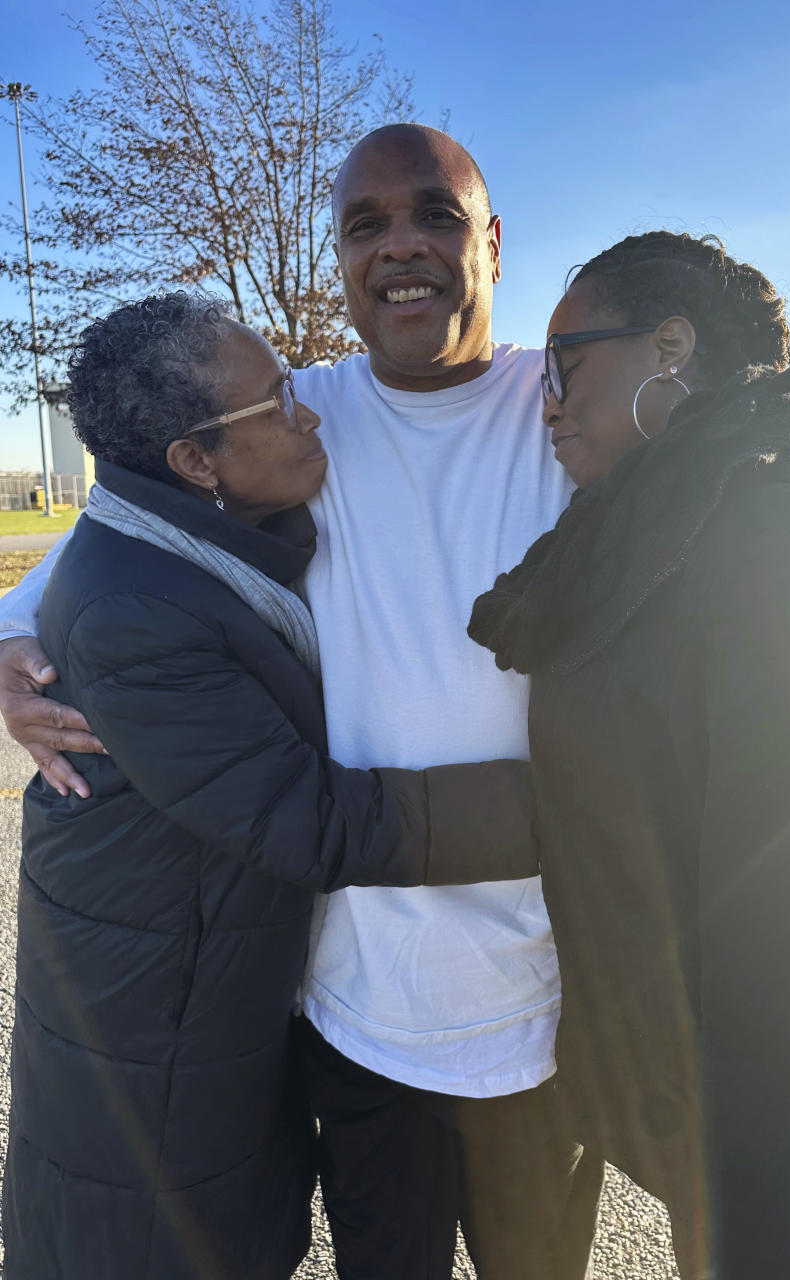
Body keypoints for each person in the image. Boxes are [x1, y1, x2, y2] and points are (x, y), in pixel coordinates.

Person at [1, 127, 790, 1280]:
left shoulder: (580, 402)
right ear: (340, 259)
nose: (400, 244)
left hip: (554, 1011)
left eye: (436, 214)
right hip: (357, 1005)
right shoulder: (291, 416)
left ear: (491, 241)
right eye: (365, 225)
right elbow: (116, 530)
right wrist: (10, 640)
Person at [1, 292, 542, 1280]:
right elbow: (311, 818)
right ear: (195, 461)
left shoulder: (184, 533)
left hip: (196, 989)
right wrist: (565, 804)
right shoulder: (137, 606)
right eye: (276, 401)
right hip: (152, 1036)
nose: (308, 412)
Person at [469, 230, 790, 1279]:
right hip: (702, 1088)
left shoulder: (773, 542)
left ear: (672, 347)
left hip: (781, 1156)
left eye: (566, 366)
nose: (546, 401)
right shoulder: (649, 517)